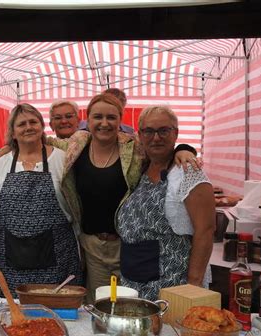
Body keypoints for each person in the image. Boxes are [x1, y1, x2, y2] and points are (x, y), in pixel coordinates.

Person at [56, 93, 199, 303]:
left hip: (128, 245)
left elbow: (159, 145)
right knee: (101, 305)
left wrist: (184, 149)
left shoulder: (133, 147)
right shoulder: (77, 144)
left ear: (120, 120)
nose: (104, 123)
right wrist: (8, 146)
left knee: (130, 304)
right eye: (98, 117)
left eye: (111, 117)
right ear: (88, 120)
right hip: (93, 246)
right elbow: (43, 141)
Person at [0, 103, 82, 296]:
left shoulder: (62, 159)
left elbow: (76, 205)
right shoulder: (0, 164)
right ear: (13, 132)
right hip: (12, 260)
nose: (28, 127)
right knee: (17, 315)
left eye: (33, 121)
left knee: (59, 313)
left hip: (59, 256)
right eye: (21, 124)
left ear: (42, 126)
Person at [117, 106, 215, 301]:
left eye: (164, 130)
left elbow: (206, 230)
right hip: (133, 280)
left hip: (171, 283)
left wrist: (192, 288)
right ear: (140, 135)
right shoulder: (138, 168)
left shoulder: (188, 172)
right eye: (149, 131)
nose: (156, 137)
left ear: (175, 133)